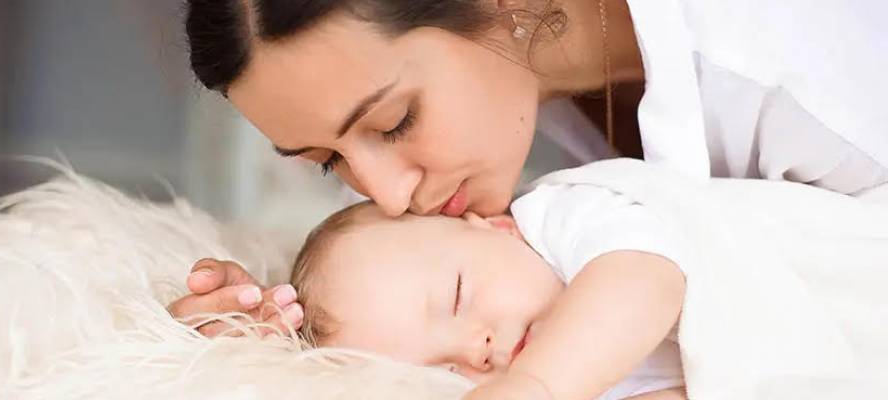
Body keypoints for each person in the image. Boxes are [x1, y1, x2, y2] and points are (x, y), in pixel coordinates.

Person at [168, 0, 887, 350]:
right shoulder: (538, 101)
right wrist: (301, 325)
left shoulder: (800, 77)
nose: (388, 195)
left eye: (394, 122)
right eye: (330, 162)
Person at [285, 158, 888, 399]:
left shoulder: (568, 214)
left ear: (494, 227)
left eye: (459, 297)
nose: (478, 350)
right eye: (444, 370)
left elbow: (645, 280)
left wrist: (537, 385)